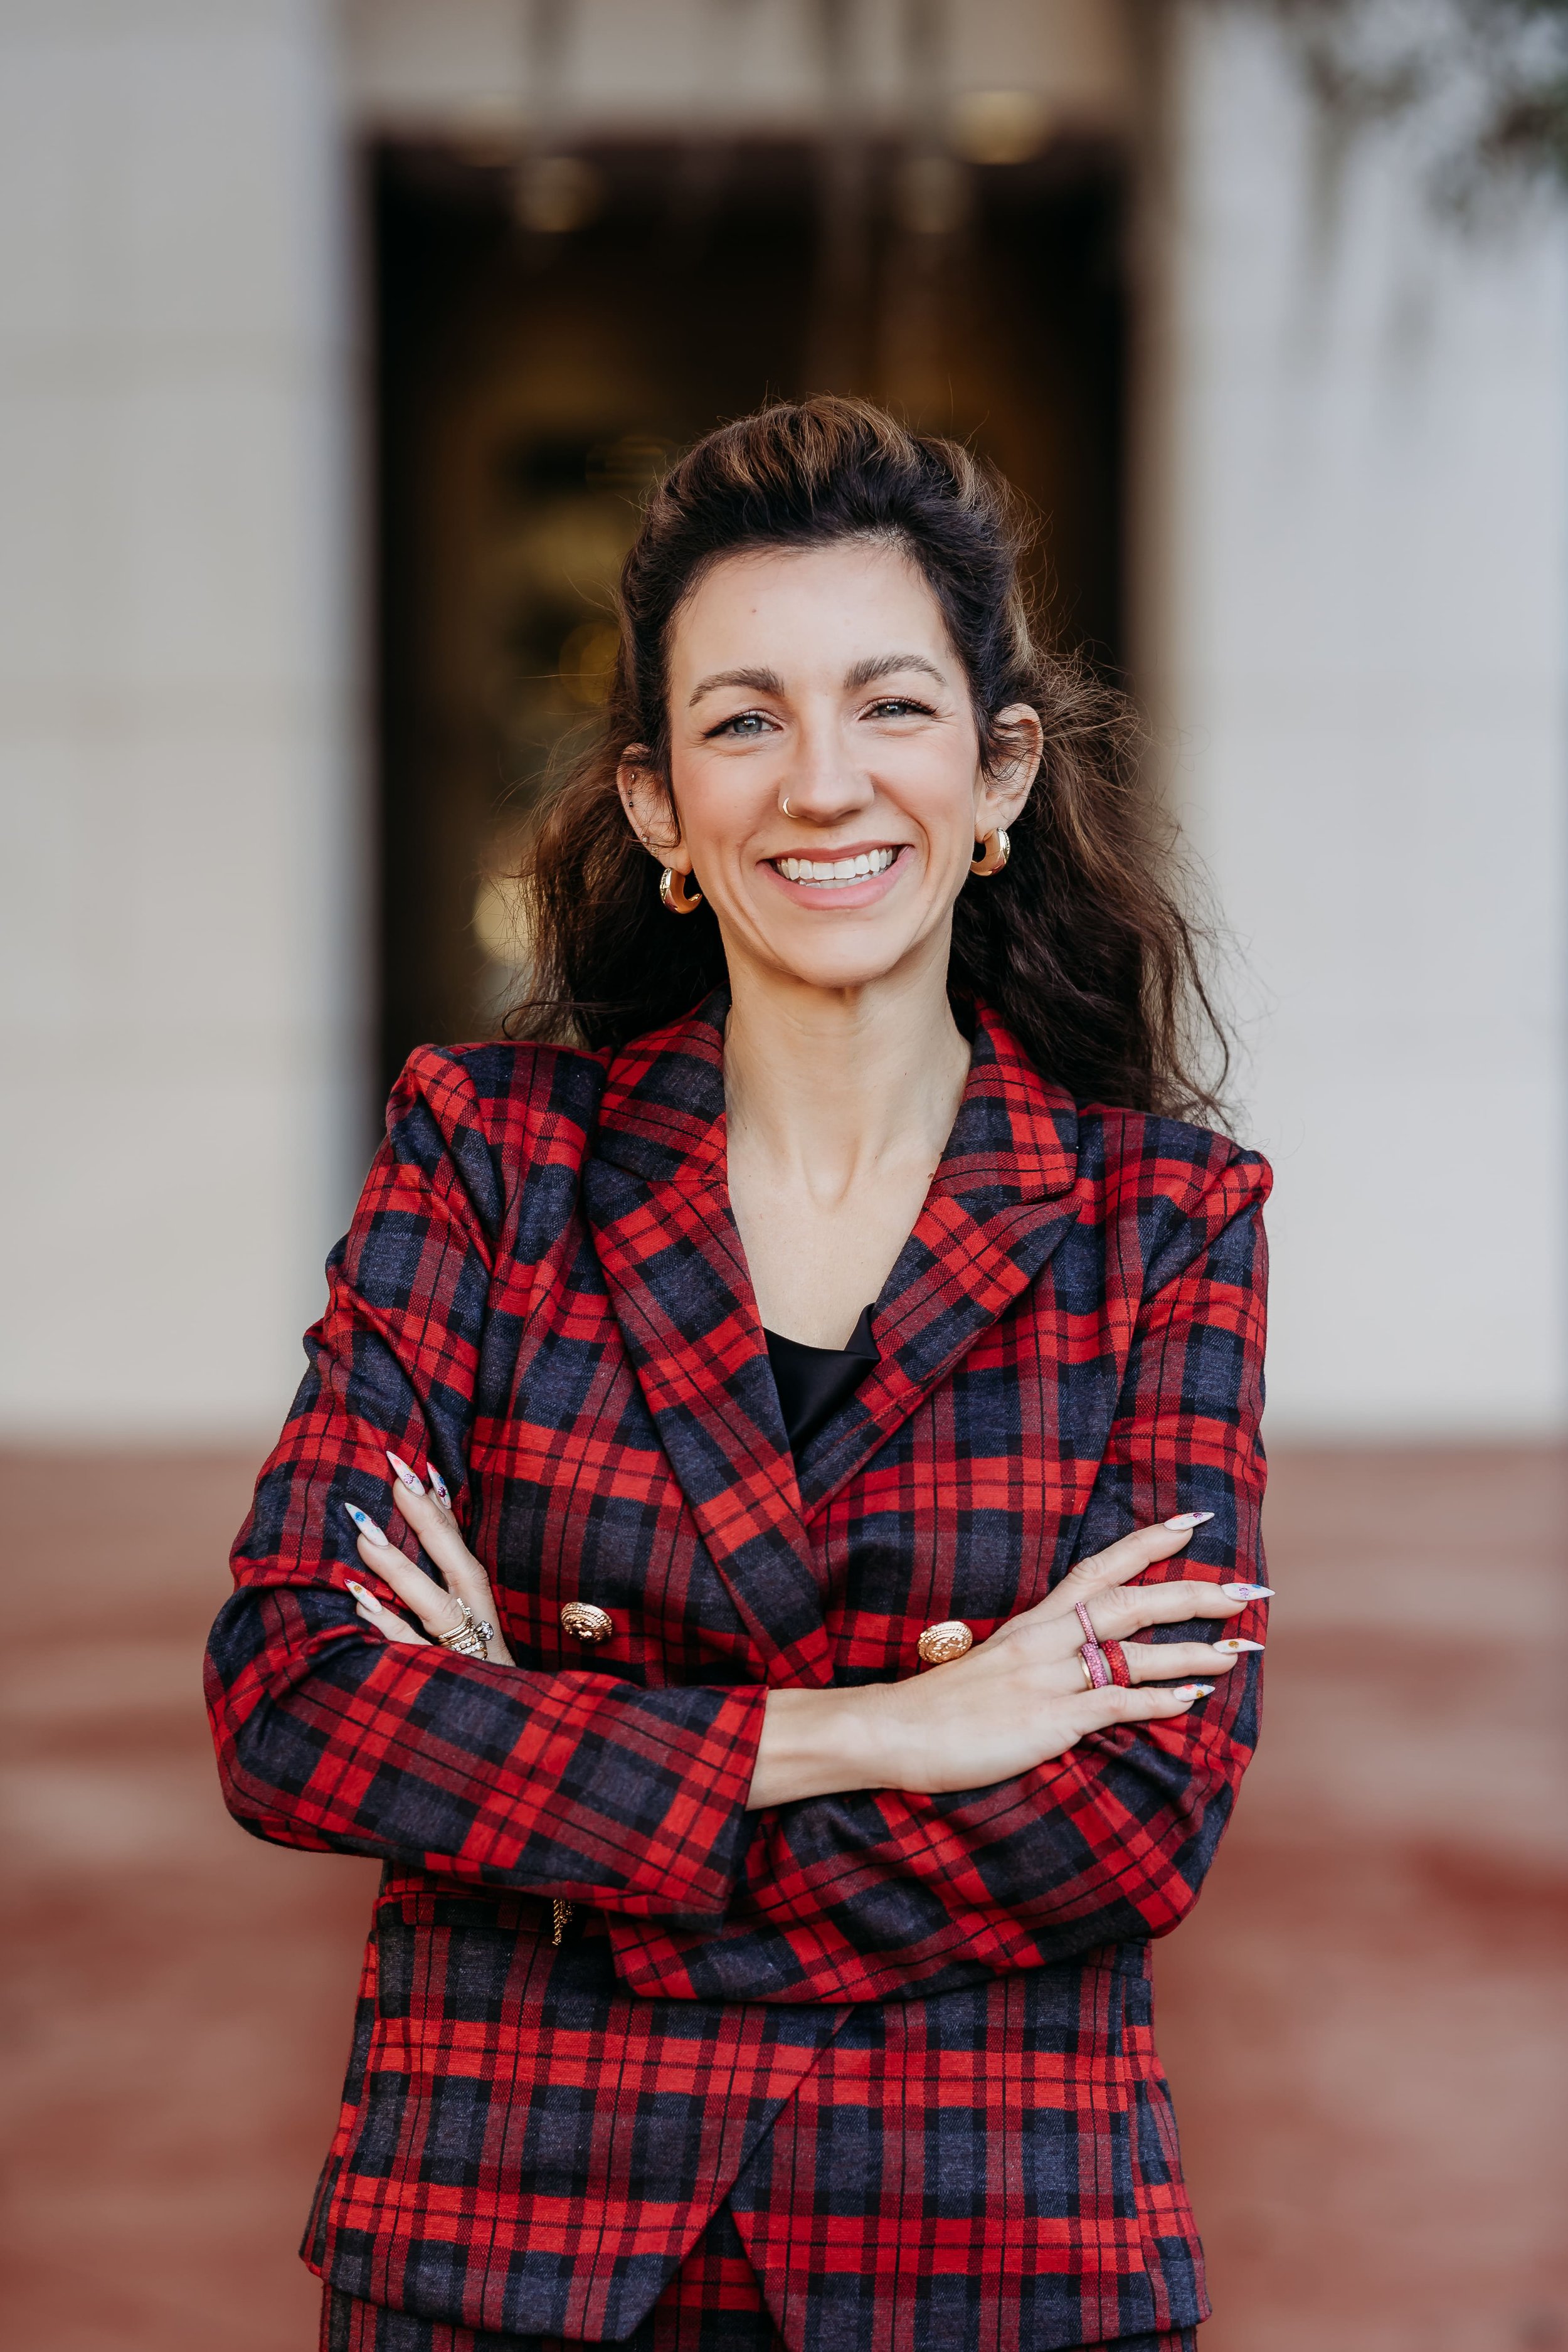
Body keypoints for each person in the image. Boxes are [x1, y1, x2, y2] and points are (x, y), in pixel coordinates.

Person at [206, 397, 1271, 2352]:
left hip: (986, 2253)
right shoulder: (489, 1155)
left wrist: (536, 1759)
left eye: (886, 706)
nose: (818, 785)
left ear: (996, 768)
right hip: (506, 2258)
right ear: (654, 806)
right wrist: (887, 1730)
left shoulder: (1158, 1221)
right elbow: (293, 1700)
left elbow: (1131, 1815)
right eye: (739, 719)